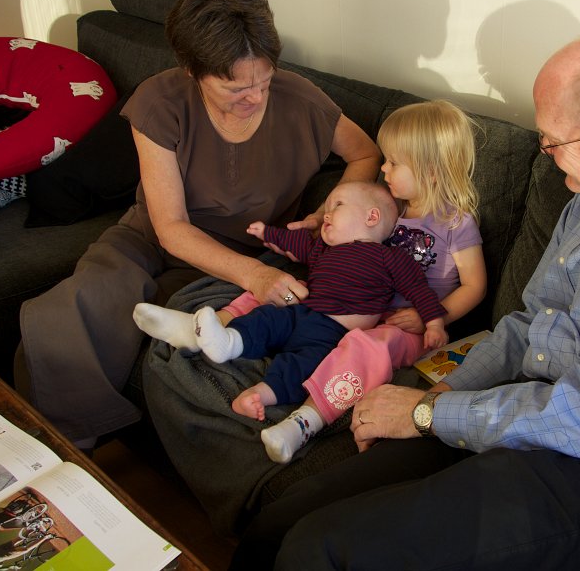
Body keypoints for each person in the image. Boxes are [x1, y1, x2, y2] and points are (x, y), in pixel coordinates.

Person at [229, 27, 580, 570]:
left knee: (322, 552)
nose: (544, 151)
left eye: (554, 141)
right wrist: (446, 391)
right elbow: (529, 323)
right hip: (538, 400)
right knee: (278, 524)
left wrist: (426, 413)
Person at [14, 0, 380, 449]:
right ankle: (57, 454)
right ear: (192, 70)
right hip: (152, 236)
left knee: (181, 335)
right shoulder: (160, 102)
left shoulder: (302, 100)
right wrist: (256, 278)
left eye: (265, 81)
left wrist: (326, 212)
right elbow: (170, 226)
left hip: (244, 252)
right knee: (72, 309)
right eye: (235, 88)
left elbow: (365, 154)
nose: (256, 98)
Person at [137, 100, 486, 463]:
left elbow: (475, 287)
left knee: (370, 347)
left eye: (394, 163)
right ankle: (205, 329)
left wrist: (432, 319)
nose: (383, 168)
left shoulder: (455, 224)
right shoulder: (389, 209)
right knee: (280, 286)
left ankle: (306, 419)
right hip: (346, 302)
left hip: (407, 327)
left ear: (431, 171)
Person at [135, 180, 449, 420]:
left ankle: (261, 396)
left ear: (371, 216)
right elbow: (296, 244)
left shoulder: (391, 259)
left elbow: (419, 290)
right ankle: (227, 341)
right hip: (299, 312)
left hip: (333, 335)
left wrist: (434, 324)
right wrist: (268, 234)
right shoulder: (323, 248)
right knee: (266, 317)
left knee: (301, 366)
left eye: (337, 206)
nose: (326, 214)